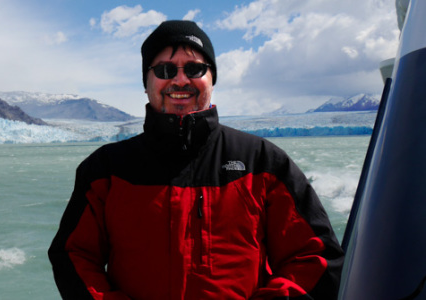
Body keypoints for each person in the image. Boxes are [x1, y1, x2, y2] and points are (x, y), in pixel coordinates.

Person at [48, 20, 344, 299]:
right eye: (165, 70)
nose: (179, 80)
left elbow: (315, 257)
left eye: (194, 68)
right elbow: (74, 255)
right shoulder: (106, 170)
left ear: (211, 77)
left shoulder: (262, 162)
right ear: (146, 81)